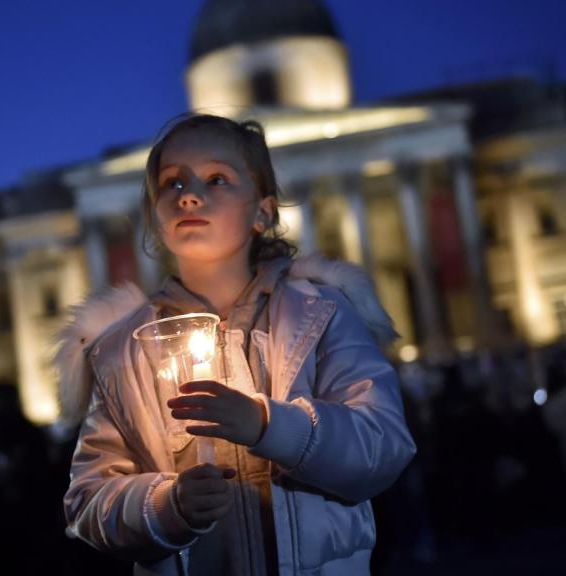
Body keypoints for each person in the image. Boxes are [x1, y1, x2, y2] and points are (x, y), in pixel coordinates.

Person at [55, 114, 416, 575]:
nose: (188, 194)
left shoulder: (322, 313)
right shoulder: (120, 353)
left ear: (263, 212)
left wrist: (269, 426)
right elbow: (88, 501)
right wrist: (168, 506)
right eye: (171, 183)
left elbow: (383, 446)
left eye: (216, 178)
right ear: (154, 217)